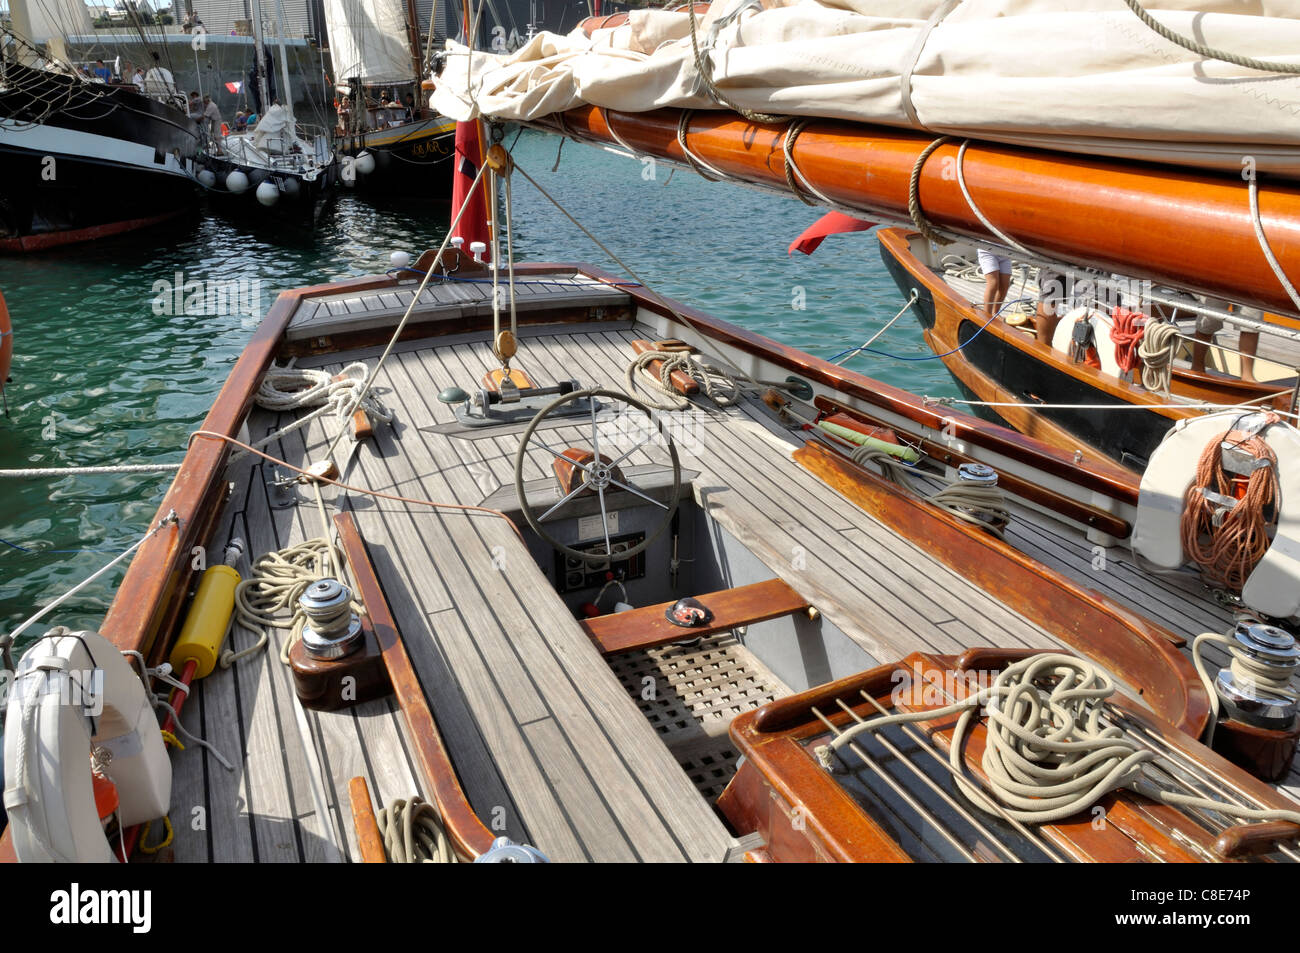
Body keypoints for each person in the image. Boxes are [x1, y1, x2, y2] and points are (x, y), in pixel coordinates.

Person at [977, 247, 1011, 317]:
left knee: (1005, 285)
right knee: (993, 283)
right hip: (988, 250)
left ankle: (995, 313)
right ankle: (987, 315)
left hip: (1005, 251)